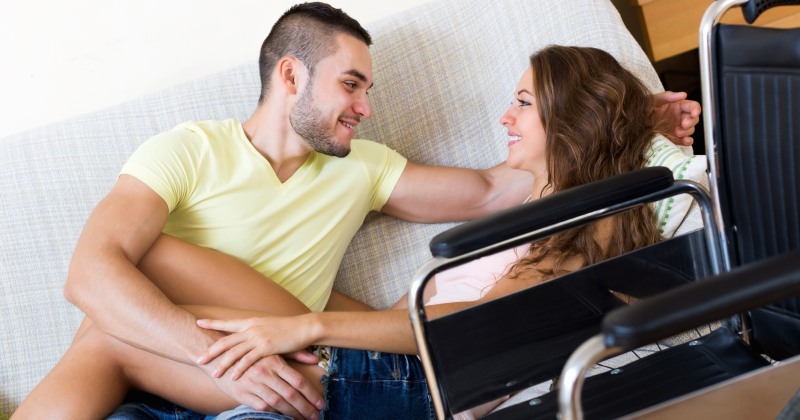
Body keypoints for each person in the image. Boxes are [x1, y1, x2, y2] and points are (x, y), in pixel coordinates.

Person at [11, 2, 700, 420]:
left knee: (114, 322)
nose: (365, 108)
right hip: (276, 353)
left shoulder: (367, 168)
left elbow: (499, 191)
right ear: (290, 75)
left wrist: (631, 115)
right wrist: (227, 359)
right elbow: (90, 275)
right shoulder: (188, 149)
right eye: (351, 85)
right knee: (128, 284)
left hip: (357, 364)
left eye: (366, 89)